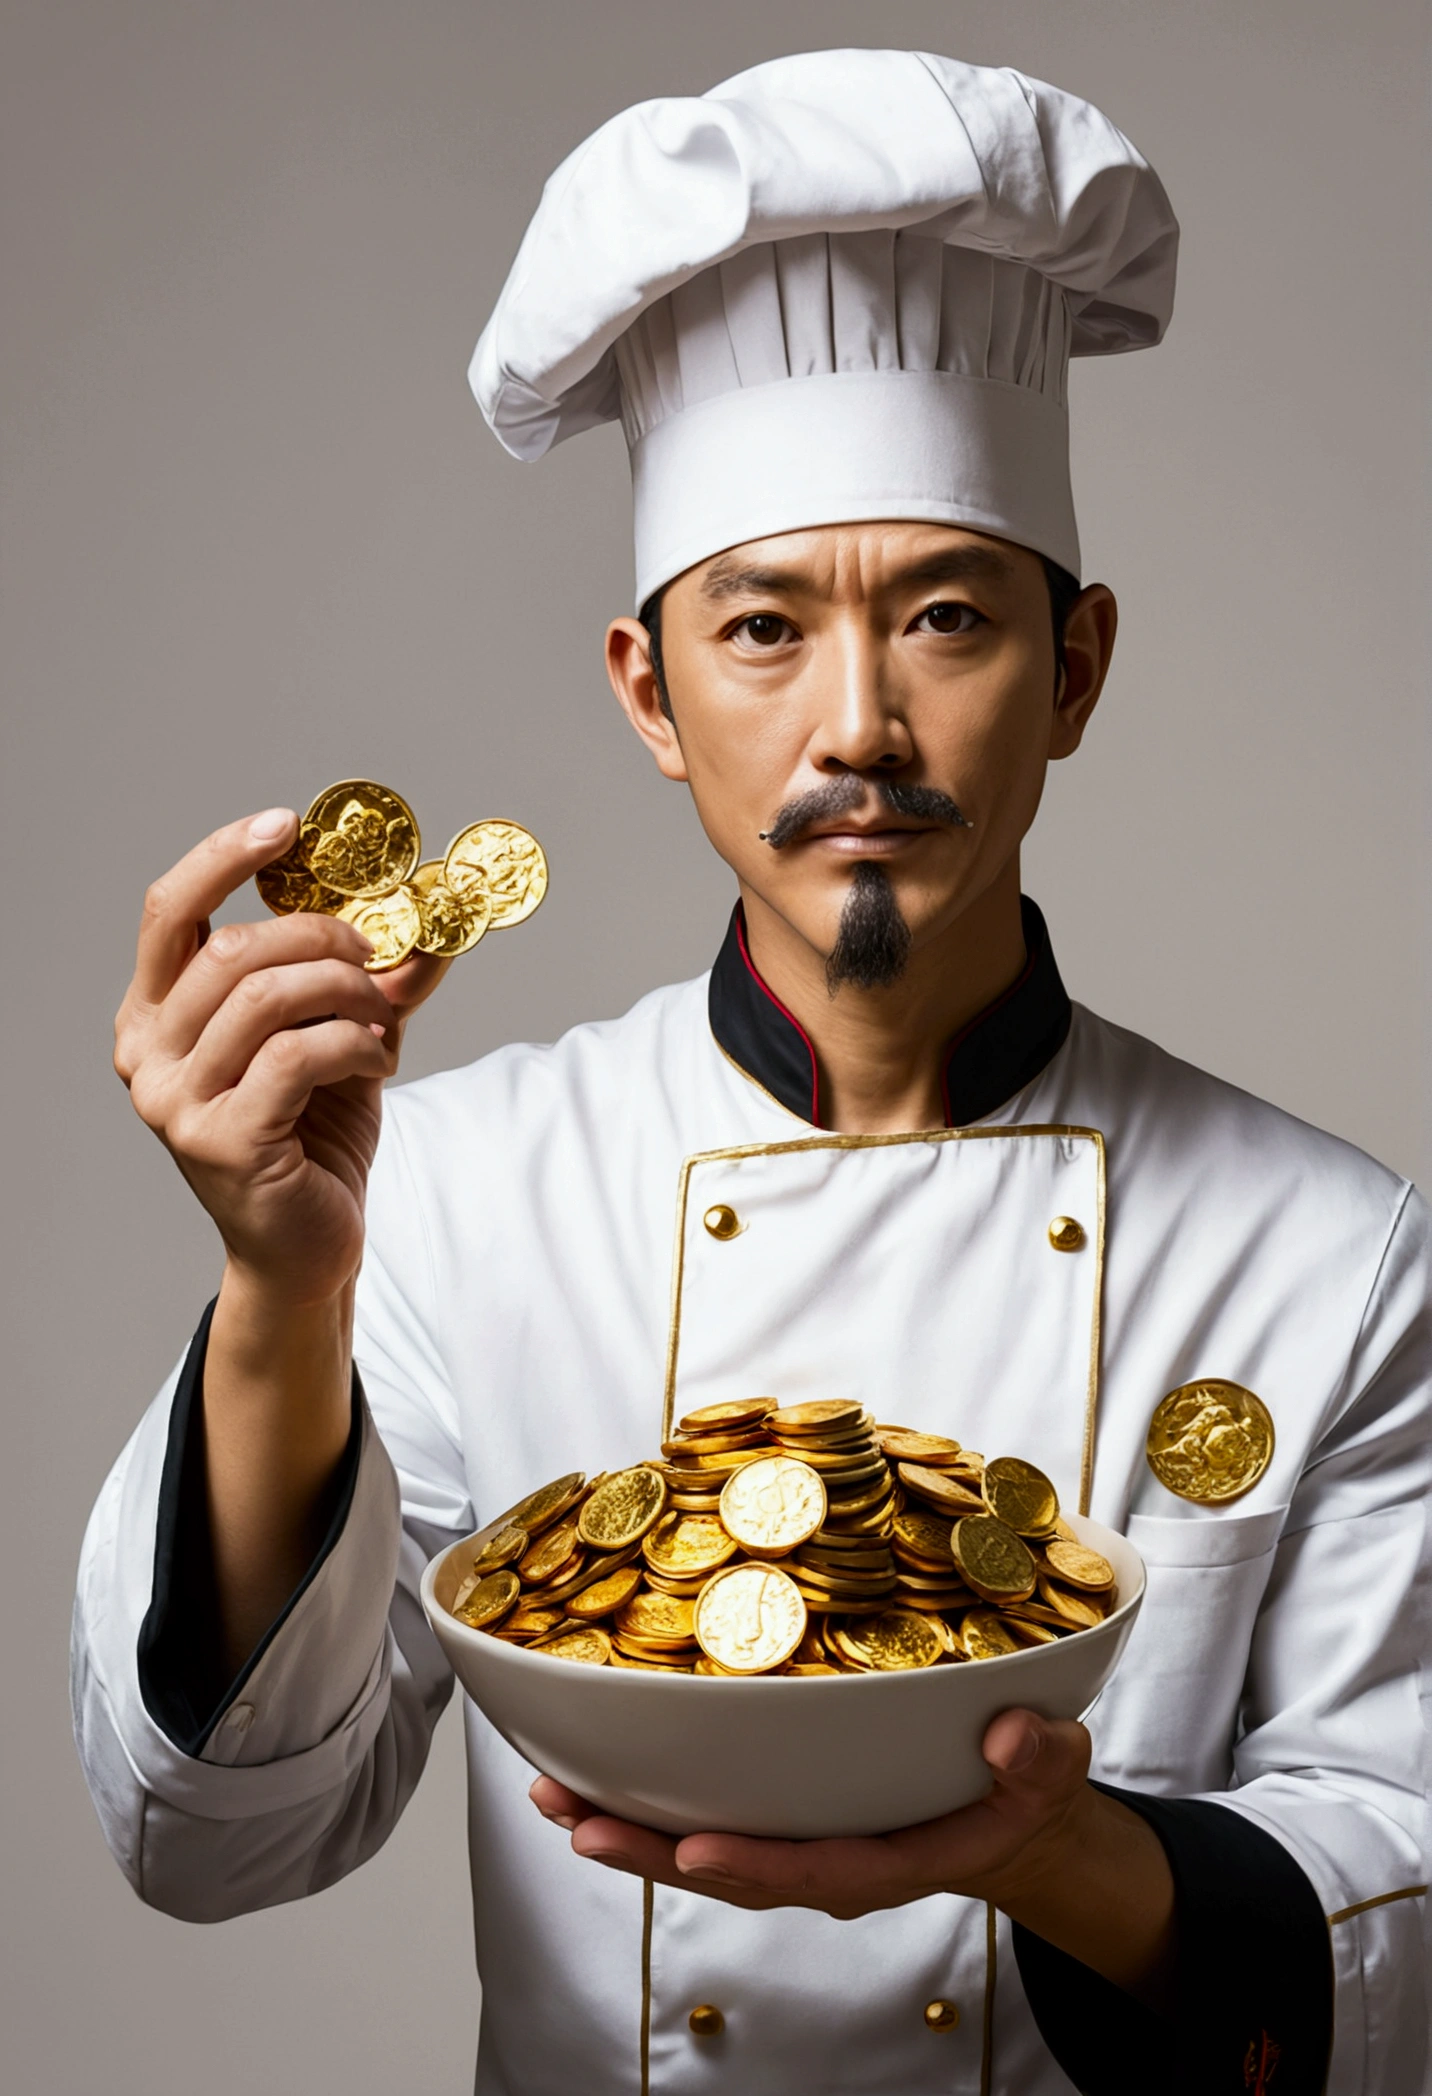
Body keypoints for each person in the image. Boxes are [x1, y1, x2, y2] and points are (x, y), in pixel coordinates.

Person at [73, 48, 1428, 2096]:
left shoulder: (1328, 1250)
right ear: (647, 690)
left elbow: (1397, 1918)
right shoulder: (441, 1194)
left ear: (1072, 670)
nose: (857, 724)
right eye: (763, 628)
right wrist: (279, 1292)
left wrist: (1057, 1856)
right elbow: (213, 1835)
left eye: (949, 616)